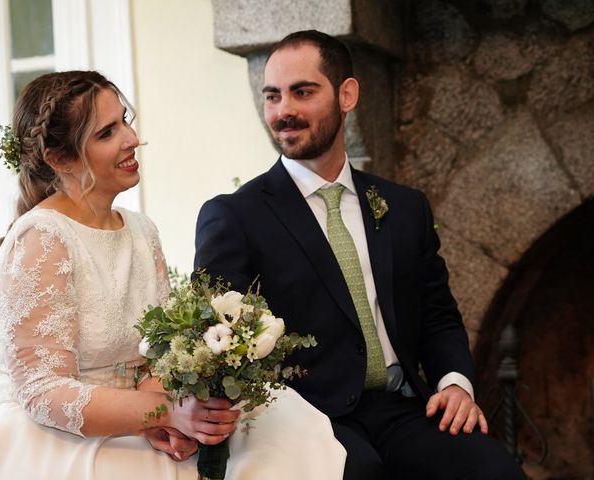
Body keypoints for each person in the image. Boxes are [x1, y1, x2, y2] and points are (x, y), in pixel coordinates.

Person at [0, 70, 345, 480]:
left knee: (285, 431)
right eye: (106, 133)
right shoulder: (42, 239)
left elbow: (153, 358)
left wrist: (167, 422)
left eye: (124, 120)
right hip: (54, 440)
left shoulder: (141, 231)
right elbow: (43, 393)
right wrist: (166, 413)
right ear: (60, 159)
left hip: (135, 420)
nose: (131, 139)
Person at [194, 31, 527, 479]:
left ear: (346, 94)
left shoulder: (405, 207)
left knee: (496, 470)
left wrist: (455, 384)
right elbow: (218, 344)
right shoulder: (234, 216)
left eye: (303, 92)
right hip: (304, 419)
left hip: (403, 407)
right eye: (272, 96)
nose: (283, 111)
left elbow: (438, 313)